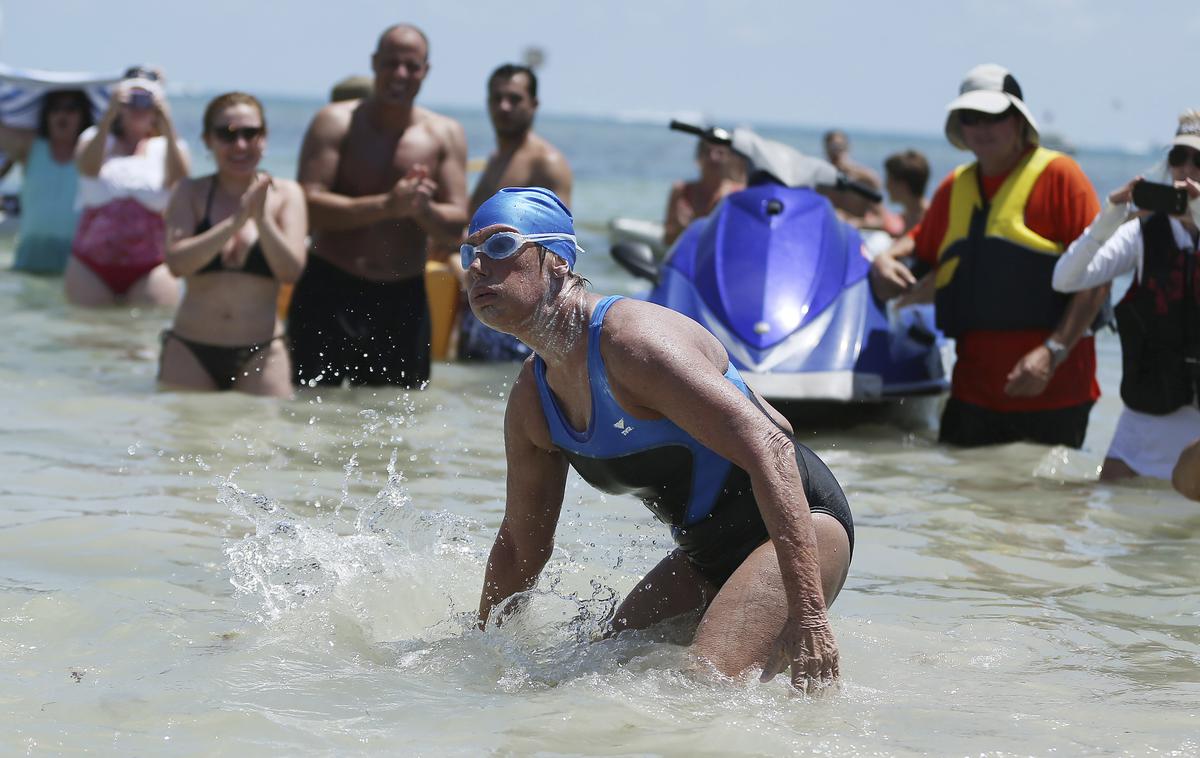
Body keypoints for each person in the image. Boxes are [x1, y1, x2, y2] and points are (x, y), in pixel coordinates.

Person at [469, 187, 854, 689]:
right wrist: (478, 655)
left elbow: (774, 443)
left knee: (701, 686)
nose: (477, 267)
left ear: (557, 261)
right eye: (469, 253)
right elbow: (521, 548)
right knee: (589, 674)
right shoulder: (532, 401)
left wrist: (811, 617)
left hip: (804, 525)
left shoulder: (631, 343)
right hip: (703, 557)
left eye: (499, 247)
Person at [870, 64, 1108, 448]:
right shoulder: (955, 186)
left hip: (1055, 393)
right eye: (970, 117)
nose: (982, 127)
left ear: (1018, 121)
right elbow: (920, 240)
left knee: (1048, 508)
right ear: (959, 127)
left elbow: (1098, 274)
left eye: (993, 116)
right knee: (960, 505)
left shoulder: (1062, 177)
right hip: (971, 394)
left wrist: (1053, 352)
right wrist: (886, 258)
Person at [291, 24, 468, 388]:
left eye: (411, 65)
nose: (400, 74)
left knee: (397, 422)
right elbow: (307, 206)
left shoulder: (444, 134)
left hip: (403, 298)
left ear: (425, 71)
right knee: (306, 414)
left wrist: (423, 211)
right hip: (330, 287)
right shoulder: (335, 122)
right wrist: (387, 206)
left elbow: (455, 224)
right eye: (391, 63)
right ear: (374, 63)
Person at [1052, 110, 1200, 480]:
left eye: (1199, 159)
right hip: (1146, 418)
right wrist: (1110, 215)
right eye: (1177, 157)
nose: (1187, 168)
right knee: (1121, 527)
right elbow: (1066, 279)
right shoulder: (1142, 233)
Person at [160, 93, 307, 396]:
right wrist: (235, 223)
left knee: (264, 439)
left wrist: (262, 220)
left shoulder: (288, 194)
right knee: (182, 442)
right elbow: (176, 264)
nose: (240, 145)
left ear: (263, 138)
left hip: (263, 350)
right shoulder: (190, 192)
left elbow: (291, 271)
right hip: (190, 349)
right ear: (207, 140)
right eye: (226, 135)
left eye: (250, 133)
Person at [457, 63, 574, 362]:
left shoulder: (545, 162)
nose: (503, 107)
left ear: (533, 105)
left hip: (521, 312)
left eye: (514, 98)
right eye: (496, 98)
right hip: (484, 301)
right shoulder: (497, 159)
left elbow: (560, 245)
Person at [67, 67, 188, 307]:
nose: (138, 107)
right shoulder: (94, 138)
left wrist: (166, 121)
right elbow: (87, 169)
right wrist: (108, 115)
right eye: (132, 99)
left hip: (151, 266)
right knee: (84, 335)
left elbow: (181, 178)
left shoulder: (167, 147)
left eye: (146, 100)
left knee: (143, 337)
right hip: (90, 265)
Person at [0, 89, 93, 273]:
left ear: (83, 115)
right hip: (31, 255)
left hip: (77, 261)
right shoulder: (30, 147)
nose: (62, 115)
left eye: (71, 108)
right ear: (45, 114)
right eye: (55, 108)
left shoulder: (92, 154)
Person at [663, 137, 746, 246]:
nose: (713, 157)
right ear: (698, 157)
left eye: (720, 152)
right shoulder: (681, 191)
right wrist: (682, 229)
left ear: (729, 158)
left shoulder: (739, 193)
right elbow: (667, 241)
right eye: (707, 152)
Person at [821, 129, 898, 233]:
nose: (836, 152)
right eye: (832, 147)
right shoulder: (820, 181)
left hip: (855, 233)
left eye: (840, 147)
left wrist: (856, 222)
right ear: (826, 149)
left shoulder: (866, 180)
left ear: (847, 148)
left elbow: (881, 220)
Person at [884, 149, 931, 233]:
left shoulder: (928, 218)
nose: (886, 186)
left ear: (903, 186)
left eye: (889, 180)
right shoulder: (910, 214)